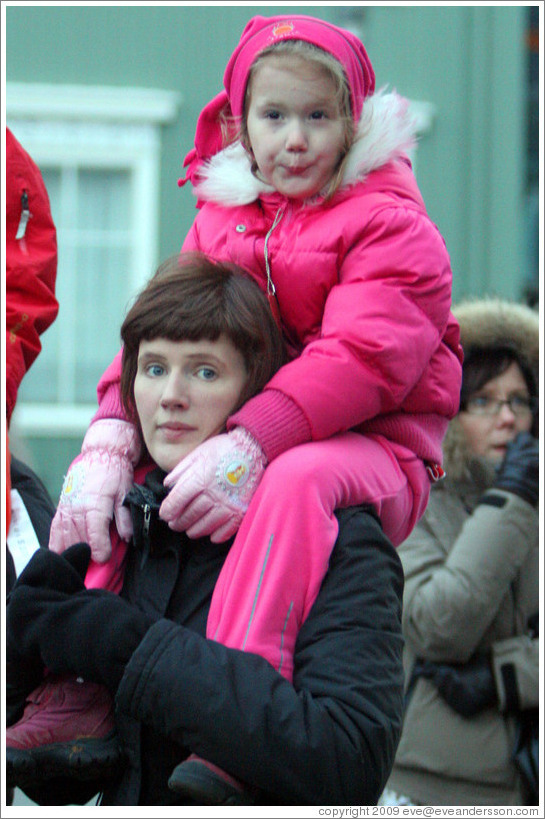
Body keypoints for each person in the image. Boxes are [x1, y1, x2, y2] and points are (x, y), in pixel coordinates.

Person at [47, 12, 462, 799]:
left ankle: (242, 710)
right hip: (263, 429)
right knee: (118, 485)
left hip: (376, 444)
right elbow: (166, 327)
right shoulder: (224, 214)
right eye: (274, 117)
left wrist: (254, 439)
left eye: (317, 116)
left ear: (353, 121)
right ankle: (75, 689)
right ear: (241, 122)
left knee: (296, 479)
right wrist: (107, 428)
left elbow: (364, 357)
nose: (295, 140)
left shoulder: (391, 223)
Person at [6, 253, 406, 806]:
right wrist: (26, 661)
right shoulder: (125, 526)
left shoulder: (336, 537)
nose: (171, 394)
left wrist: (128, 647)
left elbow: (349, 762)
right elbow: (61, 786)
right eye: (153, 368)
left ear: (254, 392)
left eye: (205, 371)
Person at [381, 297, 539, 806]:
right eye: (484, 401)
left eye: (519, 401)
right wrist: (511, 501)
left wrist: (506, 675)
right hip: (431, 778)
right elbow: (437, 626)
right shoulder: (415, 497)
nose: (507, 418)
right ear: (450, 408)